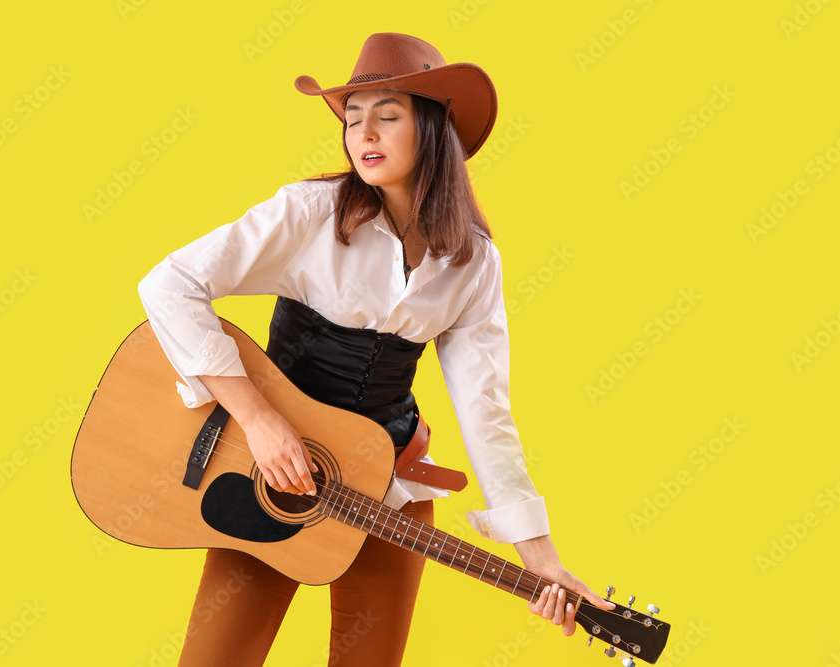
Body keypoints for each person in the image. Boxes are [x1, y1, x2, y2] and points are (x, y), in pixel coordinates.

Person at [138, 32, 613, 667]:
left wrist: (541, 557)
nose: (365, 134)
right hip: (270, 476)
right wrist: (258, 421)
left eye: (387, 116)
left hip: (390, 487)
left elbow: (485, 410)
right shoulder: (310, 213)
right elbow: (170, 284)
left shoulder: (472, 262)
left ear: (433, 129)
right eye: (353, 118)